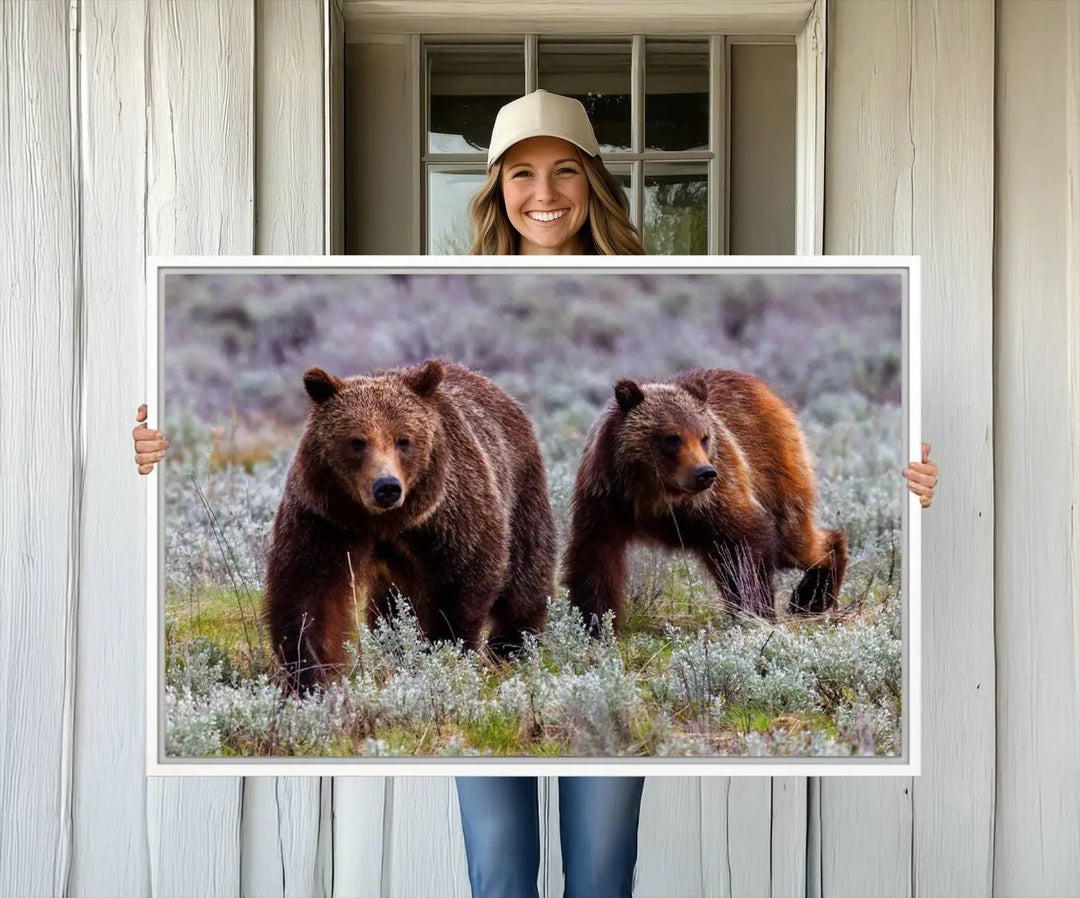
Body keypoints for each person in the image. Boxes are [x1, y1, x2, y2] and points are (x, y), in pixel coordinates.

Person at [131, 89, 940, 898]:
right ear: (495, 188)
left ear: (594, 182)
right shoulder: (373, 399)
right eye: (521, 173)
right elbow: (301, 585)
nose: (544, 194)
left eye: (564, 172)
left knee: (598, 863)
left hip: (504, 538)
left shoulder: (606, 339)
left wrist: (913, 485)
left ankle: (494, 648)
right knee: (498, 865)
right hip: (408, 495)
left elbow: (492, 561)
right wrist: (154, 455)